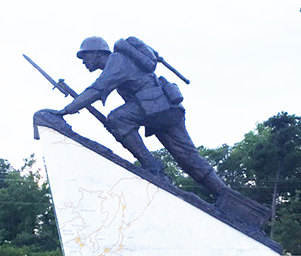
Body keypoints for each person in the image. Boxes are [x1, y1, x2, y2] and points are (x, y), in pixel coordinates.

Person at [58, 36, 227, 197]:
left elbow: (97, 89)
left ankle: (153, 167)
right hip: (164, 107)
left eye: (84, 55)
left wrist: (65, 110)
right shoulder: (121, 61)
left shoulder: (117, 61)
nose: (83, 61)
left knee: (117, 119)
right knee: (187, 156)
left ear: (97, 52)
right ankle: (224, 194)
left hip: (156, 107)